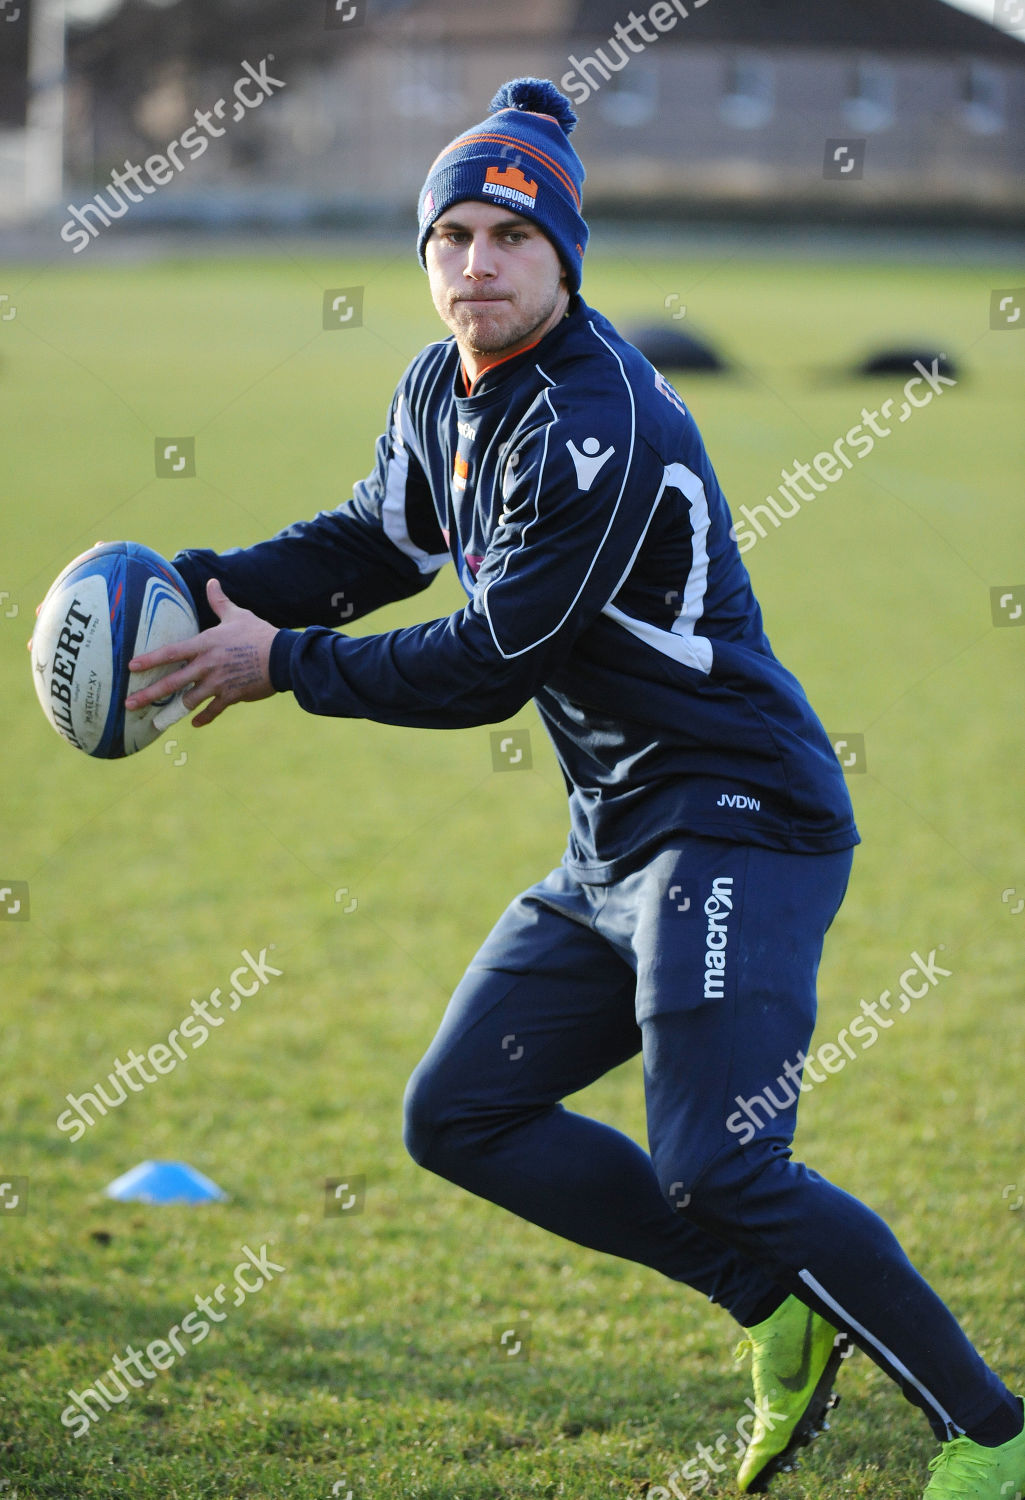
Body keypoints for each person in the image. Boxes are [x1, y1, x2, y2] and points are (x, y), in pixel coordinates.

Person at [127, 78, 1024, 1498]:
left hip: (739, 819)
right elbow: (371, 542)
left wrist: (278, 664)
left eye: (506, 237)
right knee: (458, 1117)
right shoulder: (445, 389)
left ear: (562, 259)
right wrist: (197, 589)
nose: (474, 263)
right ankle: (773, 1301)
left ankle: (993, 1438)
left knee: (720, 1163)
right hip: (615, 835)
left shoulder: (591, 421)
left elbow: (492, 661)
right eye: (450, 237)